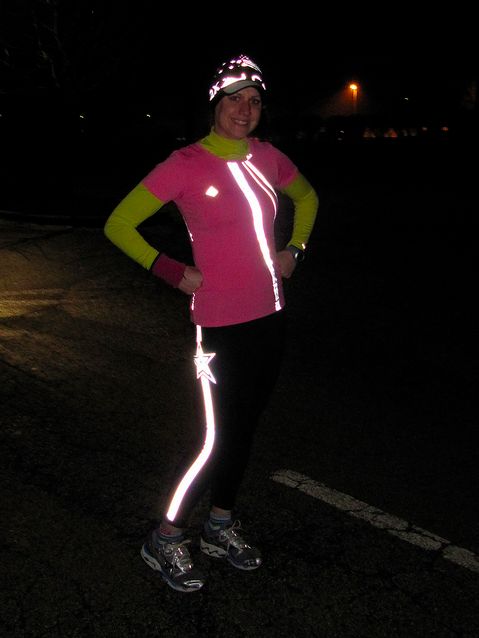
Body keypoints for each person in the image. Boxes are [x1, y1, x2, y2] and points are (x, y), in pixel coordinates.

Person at [104, 54, 318, 593]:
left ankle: (220, 524)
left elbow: (309, 198)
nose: (245, 109)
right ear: (215, 104)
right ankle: (167, 535)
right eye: (234, 98)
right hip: (219, 326)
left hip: (270, 317)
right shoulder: (186, 164)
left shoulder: (269, 158)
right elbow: (119, 224)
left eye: (254, 100)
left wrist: (295, 248)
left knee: (243, 432)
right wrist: (170, 269)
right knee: (214, 439)